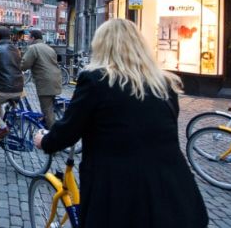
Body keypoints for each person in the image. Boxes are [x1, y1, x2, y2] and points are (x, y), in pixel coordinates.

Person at [33, 19, 208, 228]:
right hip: (174, 187)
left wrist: (45, 141)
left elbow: (69, 129)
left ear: (101, 46)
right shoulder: (165, 83)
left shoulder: (96, 80)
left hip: (120, 191)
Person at [20, 29, 62, 128]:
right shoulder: (49, 48)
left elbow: (24, 65)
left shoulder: (33, 48)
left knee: (47, 111)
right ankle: (47, 127)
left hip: (45, 82)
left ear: (33, 38)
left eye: (28, 38)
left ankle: (53, 137)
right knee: (50, 106)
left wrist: (14, 67)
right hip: (56, 79)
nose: (27, 40)